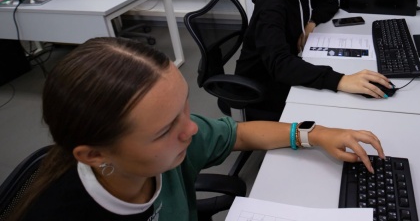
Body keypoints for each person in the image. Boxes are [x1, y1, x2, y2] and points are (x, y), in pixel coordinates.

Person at [9, 37, 384, 221]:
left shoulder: (173, 146)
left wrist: (315, 134)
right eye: (164, 129)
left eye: (184, 107)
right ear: (94, 154)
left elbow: (240, 134)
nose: (190, 129)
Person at [235, 0, 393, 119]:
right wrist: (340, 80)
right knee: (336, 108)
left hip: (287, 65)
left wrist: (311, 23)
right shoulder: (271, 4)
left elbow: (330, 2)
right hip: (260, 86)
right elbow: (279, 65)